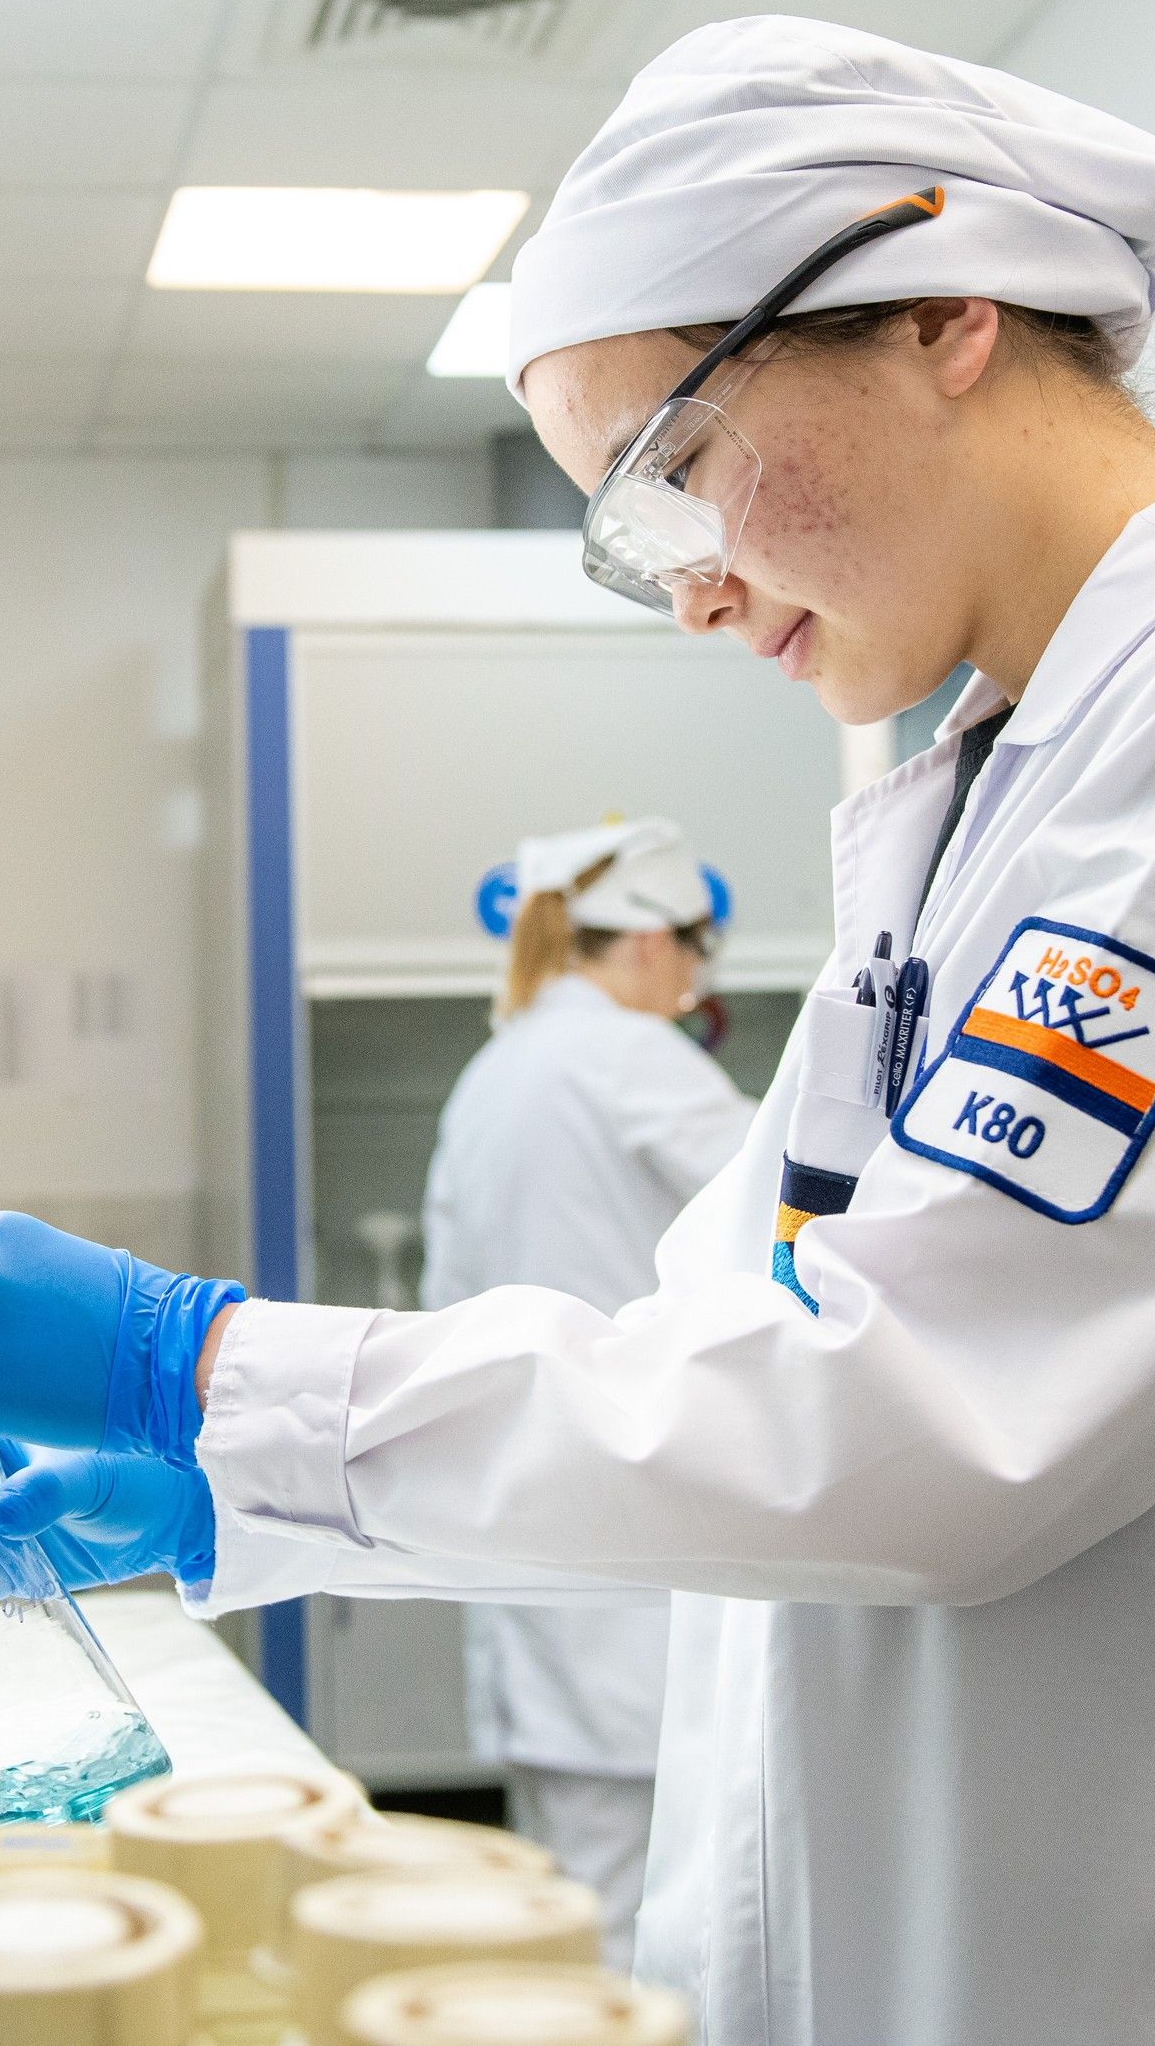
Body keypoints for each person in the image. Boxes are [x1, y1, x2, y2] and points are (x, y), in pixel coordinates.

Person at [0, 17, 1155, 2046]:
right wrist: (233, 1486)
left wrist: (195, 1359)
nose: (693, 595)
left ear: (941, 311)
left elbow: (920, 1411)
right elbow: (718, 1363)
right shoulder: (980, 796)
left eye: (673, 472)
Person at [425, 817, 753, 1960]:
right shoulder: (630, 1056)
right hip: (630, 1565)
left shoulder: (492, 1072)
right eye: (694, 952)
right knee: (642, 1939)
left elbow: (446, 1302)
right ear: (654, 941)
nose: (693, 982)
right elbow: (798, 1214)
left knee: (565, 1920)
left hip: (529, 1558)